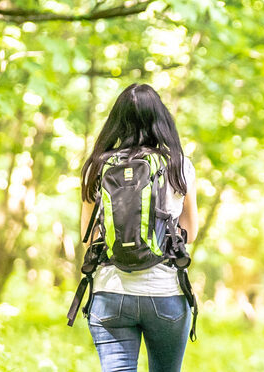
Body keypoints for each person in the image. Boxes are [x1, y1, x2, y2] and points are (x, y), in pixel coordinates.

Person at [72, 83, 200, 372]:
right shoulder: (179, 165)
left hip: (111, 294)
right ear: (161, 119)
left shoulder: (97, 166)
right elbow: (190, 230)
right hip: (165, 293)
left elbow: (88, 235)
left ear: (116, 121)